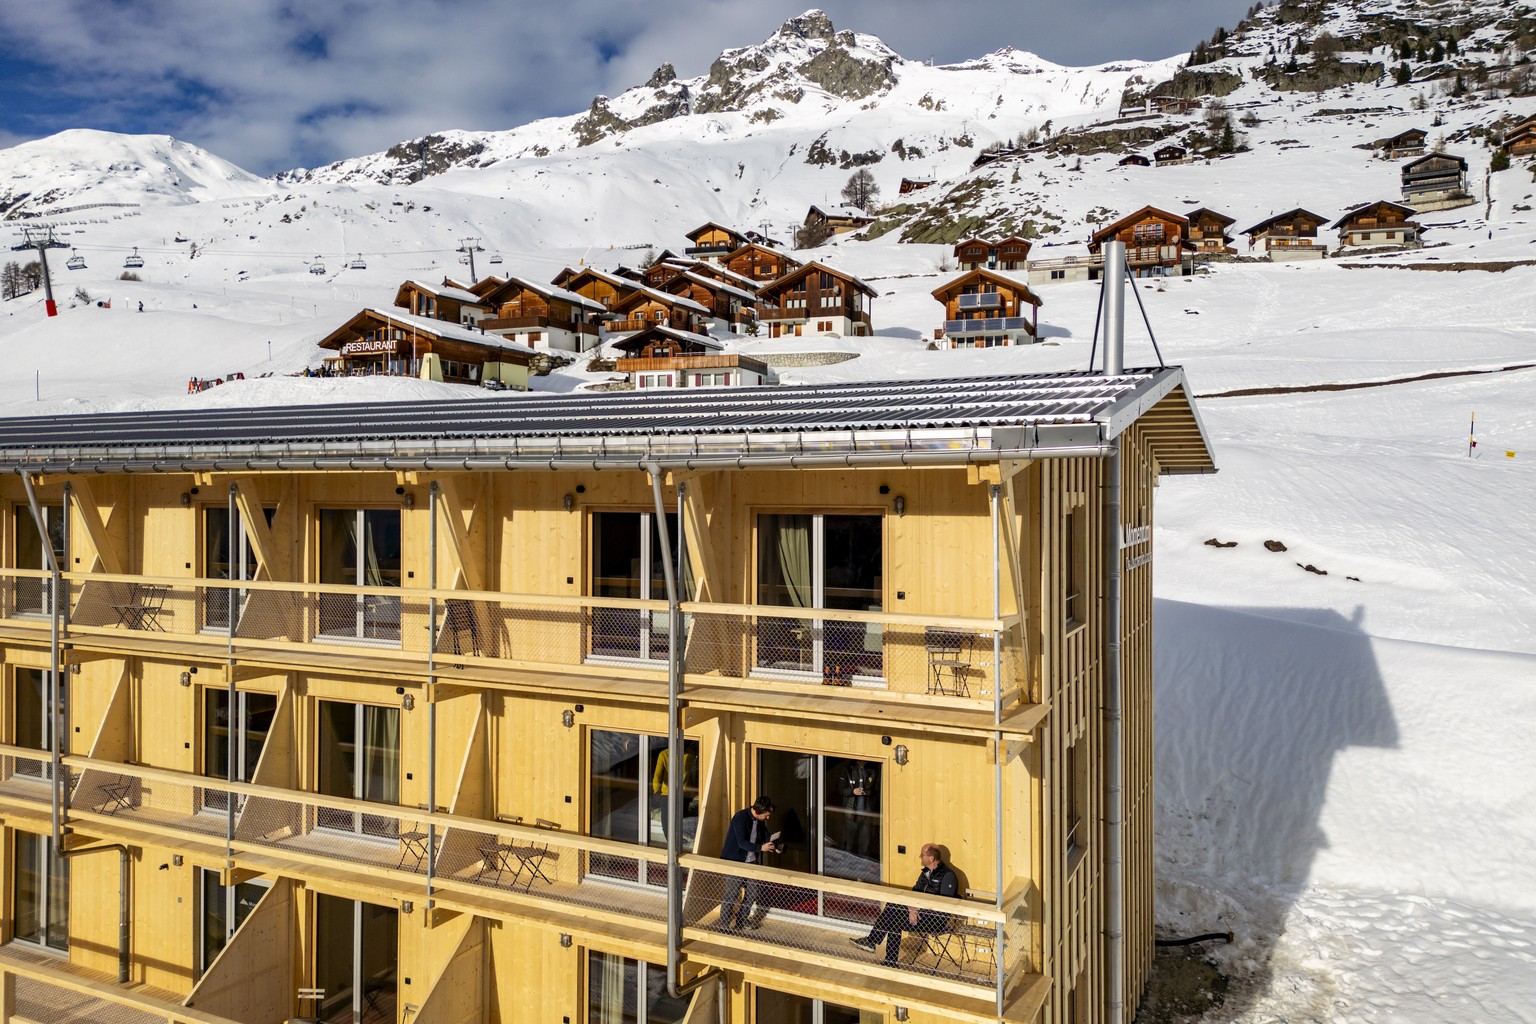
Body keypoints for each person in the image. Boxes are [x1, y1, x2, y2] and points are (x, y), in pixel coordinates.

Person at [850, 844, 958, 966]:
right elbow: (914, 893)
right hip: (919, 914)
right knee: (893, 908)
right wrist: (912, 908)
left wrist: (917, 910)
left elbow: (944, 904)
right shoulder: (925, 873)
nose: (920, 857)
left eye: (922, 855)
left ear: (931, 858)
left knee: (894, 919)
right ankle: (886, 958)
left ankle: (877, 947)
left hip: (935, 919)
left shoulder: (948, 876)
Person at [718, 796, 779, 930]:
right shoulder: (740, 818)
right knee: (732, 893)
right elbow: (741, 843)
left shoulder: (760, 820)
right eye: (766, 816)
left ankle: (741, 920)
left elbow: (766, 836)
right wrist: (760, 848)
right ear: (758, 812)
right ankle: (724, 925)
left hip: (751, 861)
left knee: (753, 892)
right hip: (734, 861)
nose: (768, 818)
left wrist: (775, 845)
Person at [836, 759, 878, 857]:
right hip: (851, 813)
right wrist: (853, 791)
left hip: (866, 813)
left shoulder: (872, 770)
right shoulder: (848, 770)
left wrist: (869, 792)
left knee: (865, 845)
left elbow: (877, 790)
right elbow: (841, 790)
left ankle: (862, 867)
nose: (863, 760)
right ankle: (846, 865)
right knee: (848, 844)